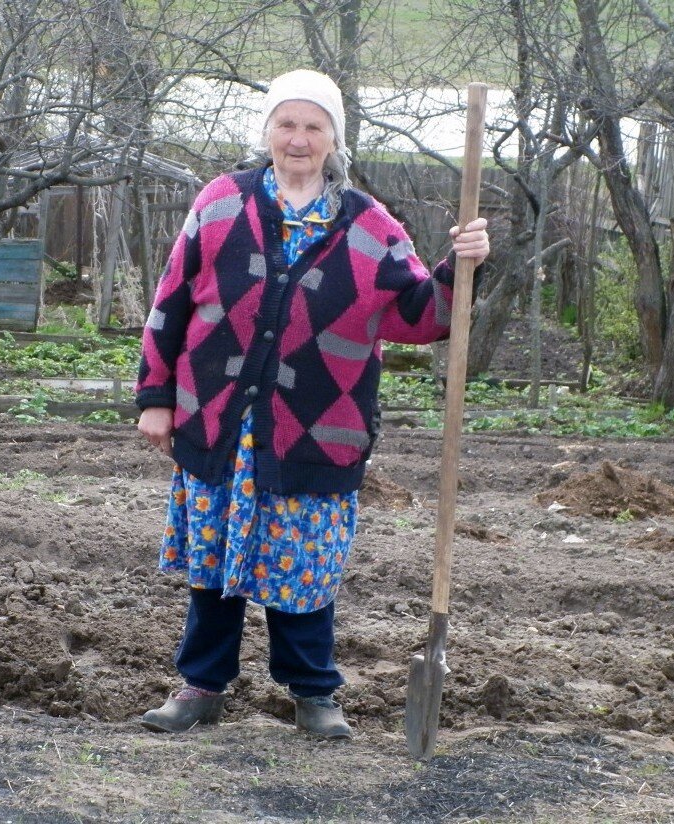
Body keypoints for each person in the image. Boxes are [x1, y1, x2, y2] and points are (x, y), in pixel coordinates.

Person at [135, 69, 489, 740]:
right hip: (219, 420)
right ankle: (202, 686)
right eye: (286, 124)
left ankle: (313, 693)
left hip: (315, 431)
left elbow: (420, 316)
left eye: (312, 127)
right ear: (267, 132)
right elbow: (172, 298)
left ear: (333, 139)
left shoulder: (370, 224)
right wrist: (156, 397)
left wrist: (460, 266)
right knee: (213, 563)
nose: (297, 139)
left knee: (305, 567)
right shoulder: (219, 204)